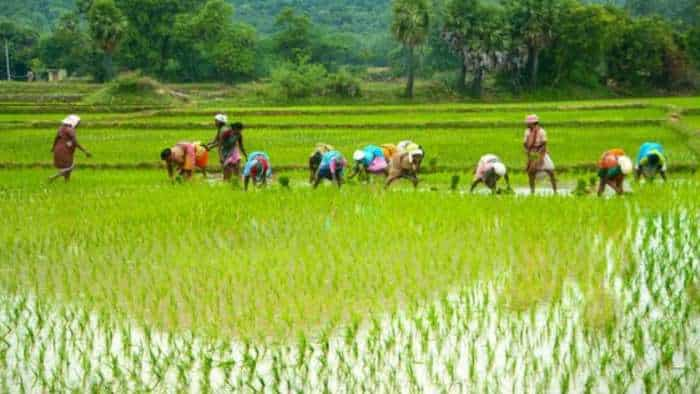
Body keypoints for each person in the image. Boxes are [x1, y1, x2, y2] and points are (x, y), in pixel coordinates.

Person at [49, 115, 91, 182]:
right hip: (65, 150)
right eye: (78, 123)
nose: (78, 125)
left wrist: (53, 148)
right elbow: (75, 142)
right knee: (70, 167)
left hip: (59, 149)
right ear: (74, 122)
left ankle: (67, 182)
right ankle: (55, 176)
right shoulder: (70, 129)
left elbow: (56, 138)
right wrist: (85, 151)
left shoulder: (61, 128)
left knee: (68, 166)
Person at [206, 114, 247, 181]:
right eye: (238, 130)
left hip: (233, 150)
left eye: (216, 121)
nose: (215, 122)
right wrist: (210, 145)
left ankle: (238, 182)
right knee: (226, 169)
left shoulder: (235, 133)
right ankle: (227, 183)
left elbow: (241, 146)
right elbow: (218, 142)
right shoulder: (223, 131)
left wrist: (246, 156)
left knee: (237, 168)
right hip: (225, 150)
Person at [523, 114, 557, 194]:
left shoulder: (541, 131)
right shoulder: (527, 131)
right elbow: (525, 143)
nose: (526, 124)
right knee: (531, 173)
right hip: (532, 153)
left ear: (533, 123)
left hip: (541, 152)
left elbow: (544, 143)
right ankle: (532, 191)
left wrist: (540, 155)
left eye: (528, 123)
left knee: (550, 170)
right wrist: (528, 152)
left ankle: (555, 191)